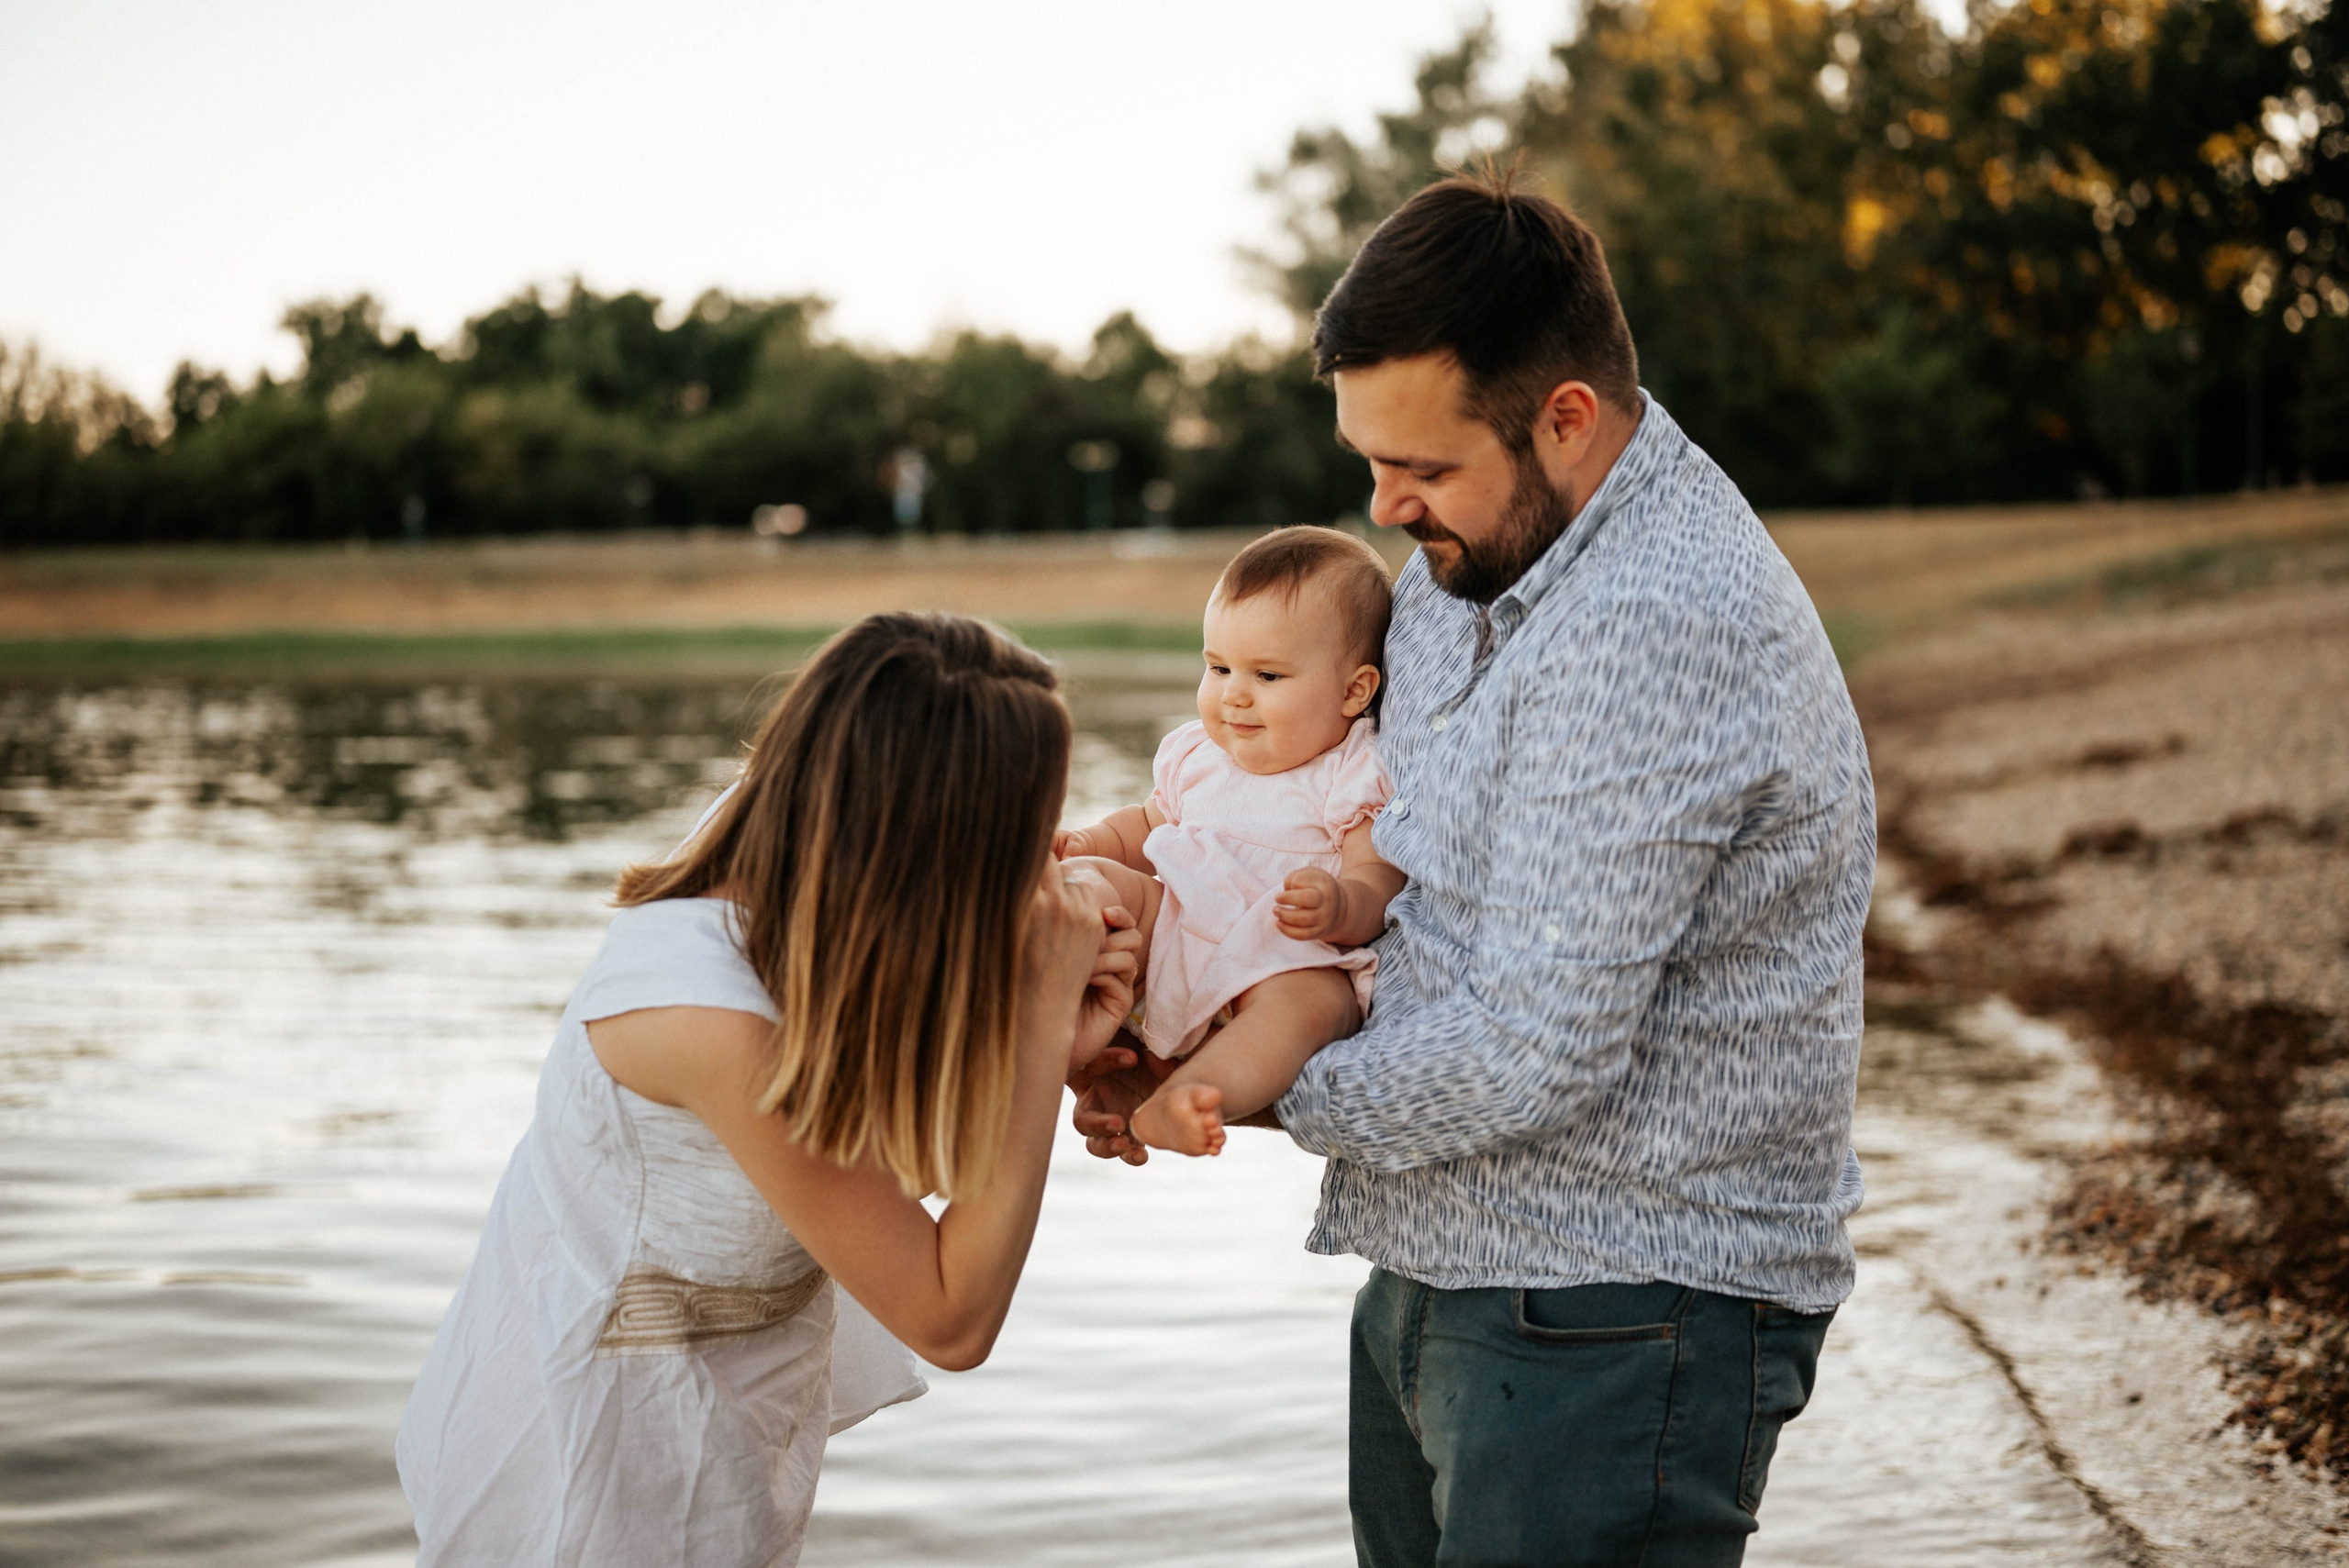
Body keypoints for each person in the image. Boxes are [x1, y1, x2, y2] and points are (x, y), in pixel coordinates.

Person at [1074, 167, 1874, 1565]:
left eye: (1425, 468)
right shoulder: (1469, 561)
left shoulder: (1664, 625)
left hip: (1625, 1303)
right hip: (1443, 1256)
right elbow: (1350, 840)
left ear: (1566, 416)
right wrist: (1165, 1019)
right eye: (1369, 461)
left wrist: (1225, 1089)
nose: (1386, 507)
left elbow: (1538, 1049)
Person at [397, 613, 1140, 1568]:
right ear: (933, 839)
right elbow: (950, 1315)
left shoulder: (795, 840)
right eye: (1024, 834)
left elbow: (882, 1143)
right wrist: (1037, 1026)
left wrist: (1062, 1049)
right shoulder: (717, 1019)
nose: (1048, 857)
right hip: (595, 1475)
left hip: (728, 1432)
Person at [1056, 527, 1403, 1157]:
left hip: (1278, 956)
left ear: (1355, 690)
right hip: (1175, 927)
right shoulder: (1198, 753)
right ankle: (1094, 1067)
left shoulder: (1351, 770)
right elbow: (1144, 824)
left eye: (1267, 674)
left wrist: (1341, 903)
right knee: (1091, 891)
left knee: (1315, 1004)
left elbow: (1376, 875)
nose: (1233, 693)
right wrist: (1089, 842)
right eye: (1217, 667)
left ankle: (1189, 1094)